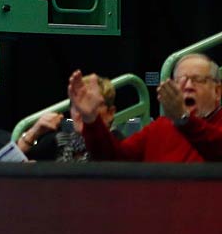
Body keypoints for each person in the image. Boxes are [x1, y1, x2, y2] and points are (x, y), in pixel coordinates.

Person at [68, 55, 222, 162]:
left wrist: (184, 119)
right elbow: (114, 161)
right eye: (180, 80)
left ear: (217, 91)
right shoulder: (160, 127)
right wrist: (91, 120)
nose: (188, 86)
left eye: (198, 80)